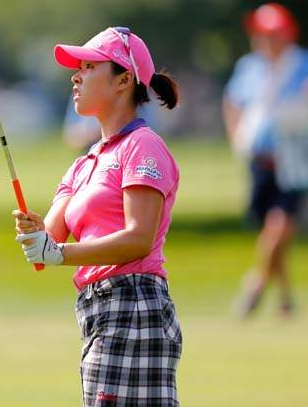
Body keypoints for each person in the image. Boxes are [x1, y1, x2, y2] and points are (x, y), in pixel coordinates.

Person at [14, 26, 183, 407]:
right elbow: (50, 240)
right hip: (98, 310)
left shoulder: (143, 147)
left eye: (89, 66)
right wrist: (34, 233)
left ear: (124, 80)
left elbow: (138, 238)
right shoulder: (84, 164)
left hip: (135, 305)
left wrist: (58, 253)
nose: (76, 75)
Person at [223, 2, 308, 318]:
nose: (263, 40)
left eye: (270, 34)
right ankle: (285, 299)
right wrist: (235, 136)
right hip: (258, 158)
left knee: (279, 225)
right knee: (269, 228)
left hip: (293, 158)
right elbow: (233, 101)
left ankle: (255, 284)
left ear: (285, 36)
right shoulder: (250, 67)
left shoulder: (306, 63)